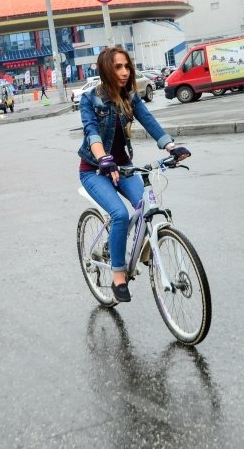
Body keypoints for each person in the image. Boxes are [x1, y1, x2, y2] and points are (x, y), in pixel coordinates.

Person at [78, 47, 190, 303]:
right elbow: (91, 131)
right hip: (95, 170)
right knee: (120, 214)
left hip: (124, 167)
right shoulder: (90, 99)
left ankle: (146, 247)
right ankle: (118, 273)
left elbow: (148, 120)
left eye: (127, 66)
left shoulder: (130, 95)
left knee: (148, 206)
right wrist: (103, 158)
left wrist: (170, 146)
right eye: (118, 67)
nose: (124, 72)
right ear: (106, 69)